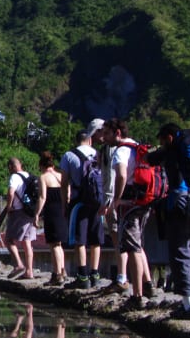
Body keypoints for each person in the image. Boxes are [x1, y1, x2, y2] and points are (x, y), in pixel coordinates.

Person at [146, 123, 190, 319]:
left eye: (162, 140)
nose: (161, 144)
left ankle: (187, 305)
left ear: (169, 137)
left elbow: (150, 159)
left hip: (181, 207)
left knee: (180, 252)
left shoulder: (173, 152)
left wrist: (151, 151)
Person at [103, 118, 154, 307]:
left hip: (130, 205)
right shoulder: (138, 147)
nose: (104, 138)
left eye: (107, 133)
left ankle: (137, 296)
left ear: (117, 133)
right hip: (145, 202)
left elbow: (122, 175)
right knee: (138, 244)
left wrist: (116, 199)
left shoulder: (121, 152)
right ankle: (148, 284)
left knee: (132, 248)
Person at [87, 118, 129, 294]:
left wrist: (109, 202)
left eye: (101, 133)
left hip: (113, 199)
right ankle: (127, 277)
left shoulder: (112, 149)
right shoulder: (104, 150)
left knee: (119, 238)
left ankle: (122, 277)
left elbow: (113, 178)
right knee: (118, 238)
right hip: (111, 198)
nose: (99, 137)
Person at [59, 130, 103, 289]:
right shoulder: (99, 154)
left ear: (77, 141)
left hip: (79, 202)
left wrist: (65, 204)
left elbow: (64, 183)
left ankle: (82, 277)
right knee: (96, 239)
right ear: (90, 141)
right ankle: (95, 274)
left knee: (80, 240)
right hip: (98, 202)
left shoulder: (69, 156)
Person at [34, 151, 68, 286]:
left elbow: (42, 198)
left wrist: (36, 214)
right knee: (59, 244)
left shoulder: (43, 177)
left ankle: (57, 274)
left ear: (42, 165)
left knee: (53, 244)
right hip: (63, 210)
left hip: (51, 211)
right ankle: (62, 271)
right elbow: (68, 194)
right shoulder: (61, 176)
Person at [5, 157, 36, 279]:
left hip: (18, 212)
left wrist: (9, 206)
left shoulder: (14, 177)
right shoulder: (29, 176)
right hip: (31, 212)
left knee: (8, 240)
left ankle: (19, 264)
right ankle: (29, 272)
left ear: (11, 167)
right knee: (27, 241)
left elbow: (11, 192)